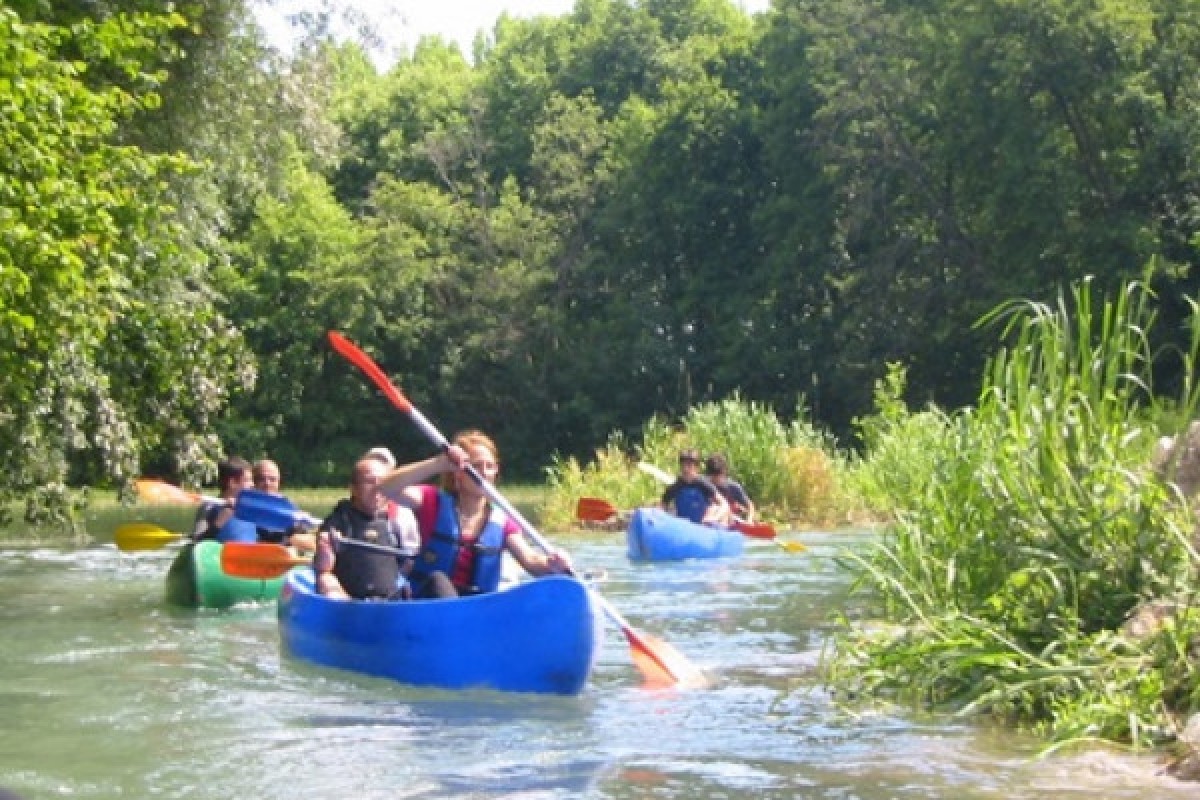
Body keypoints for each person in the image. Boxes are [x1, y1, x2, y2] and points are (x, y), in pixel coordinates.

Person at [379, 429, 572, 598]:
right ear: (458, 473)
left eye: (490, 466)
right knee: (438, 581)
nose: (484, 473)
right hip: (429, 606)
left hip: (477, 610)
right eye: (477, 466)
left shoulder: (503, 520)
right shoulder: (432, 501)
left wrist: (551, 565)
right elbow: (386, 488)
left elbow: (530, 560)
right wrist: (439, 463)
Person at [312, 457, 421, 600]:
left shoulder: (392, 522)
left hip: (391, 604)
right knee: (325, 580)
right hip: (351, 604)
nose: (377, 488)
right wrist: (325, 549)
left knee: (438, 580)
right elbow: (323, 568)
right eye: (370, 481)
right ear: (353, 488)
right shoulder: (338, 521)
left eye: (382, 482)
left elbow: (408, 563)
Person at [250, 458, 315, 550]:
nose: (267, 483)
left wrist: (299, 528)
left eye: (272, 479)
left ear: (278, 482)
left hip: (281, 556)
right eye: (261, 479)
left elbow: (311, 544)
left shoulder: (287, 507)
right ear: (253, 482)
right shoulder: (245, 506)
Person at [192, 457, 257, 543]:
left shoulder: (250, 507)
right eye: (248, 480)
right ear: (232, 483)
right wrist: (219, 522)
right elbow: (197, 543)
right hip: (222, 555)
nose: (252, 484)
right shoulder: (209, 508)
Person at [661, 448, 731, 527]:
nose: (686, 469)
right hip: (684, 527)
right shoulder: (675, 487)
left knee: (716, 508)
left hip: (703, 526)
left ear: (696, 468)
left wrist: (713, 517)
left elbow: (724, 504)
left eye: (689, 465)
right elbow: (663, 506)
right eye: (683, 465)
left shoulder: (703, 484)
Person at [704, 453, 756, 523]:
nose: (717, 480)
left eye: (719, 476)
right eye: (714, 476)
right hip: (709, 517)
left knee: (727, 511)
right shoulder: (704, 484)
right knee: (713, 508)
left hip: (729, 521)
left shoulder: (733, 487)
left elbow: (750, 506)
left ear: (724, 472)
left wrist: (749, 520)